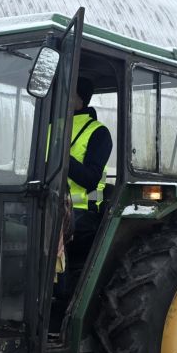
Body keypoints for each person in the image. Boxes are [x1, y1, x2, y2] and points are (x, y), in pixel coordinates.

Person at [58, 76, 112, 302]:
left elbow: (90, 179)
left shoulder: (99, 133)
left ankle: (59, 305)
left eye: (68, 93)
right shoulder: (53, 126)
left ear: (79, 98)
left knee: (49, 237)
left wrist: (61, 160)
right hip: (51, 207)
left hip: (82, 212)